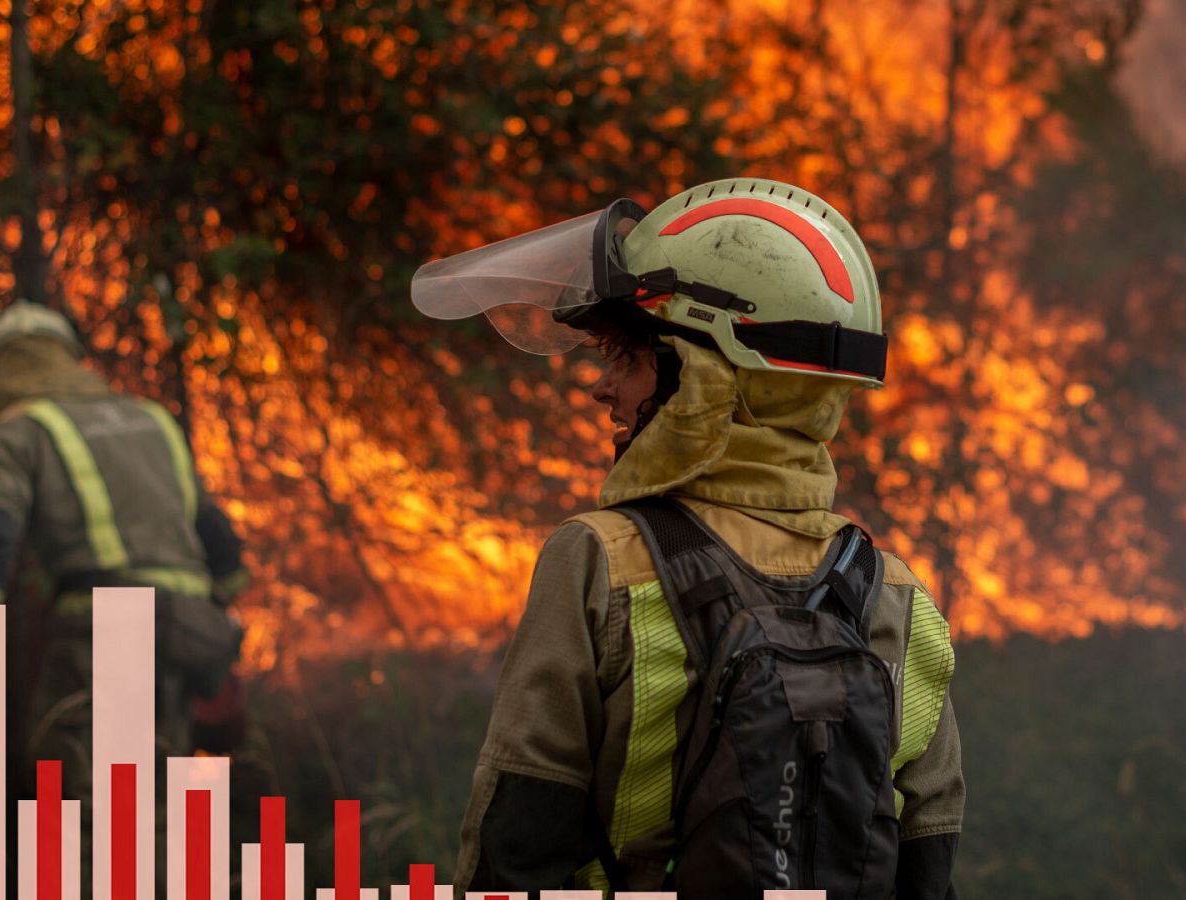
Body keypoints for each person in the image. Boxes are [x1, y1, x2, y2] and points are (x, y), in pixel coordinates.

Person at [412, 179, 963, 898]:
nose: (601, 388)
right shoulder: (898, 597)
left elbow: (517, 841)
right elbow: (929, 868)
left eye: (629, 360)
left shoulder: (600, 561)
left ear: (706, 378)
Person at [0, 300, 248, 806]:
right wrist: (213, 625)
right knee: (158, 794)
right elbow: (221, 544)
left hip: (106, 631)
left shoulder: (17, 431)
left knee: (82, 798)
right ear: (69, 357)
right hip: (187, 632)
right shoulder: (151, 419)